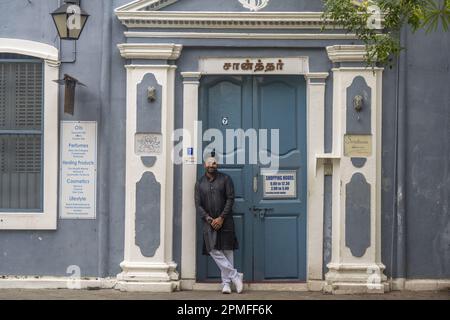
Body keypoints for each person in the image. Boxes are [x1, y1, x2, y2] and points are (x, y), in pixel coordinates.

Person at [194, 156, 243, 294]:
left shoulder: (226, 179)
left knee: (228, 250)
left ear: (217, 165)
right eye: (209, 163)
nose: (212, 165)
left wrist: (221, 218)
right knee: (213, 249)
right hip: (208, 222)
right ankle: (235, 275)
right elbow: (198, 205)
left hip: (225, 220)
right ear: (205, 165)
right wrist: (210, 219)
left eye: (214, 163)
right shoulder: (199, 183)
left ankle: (226, 284)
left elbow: (230, 199)